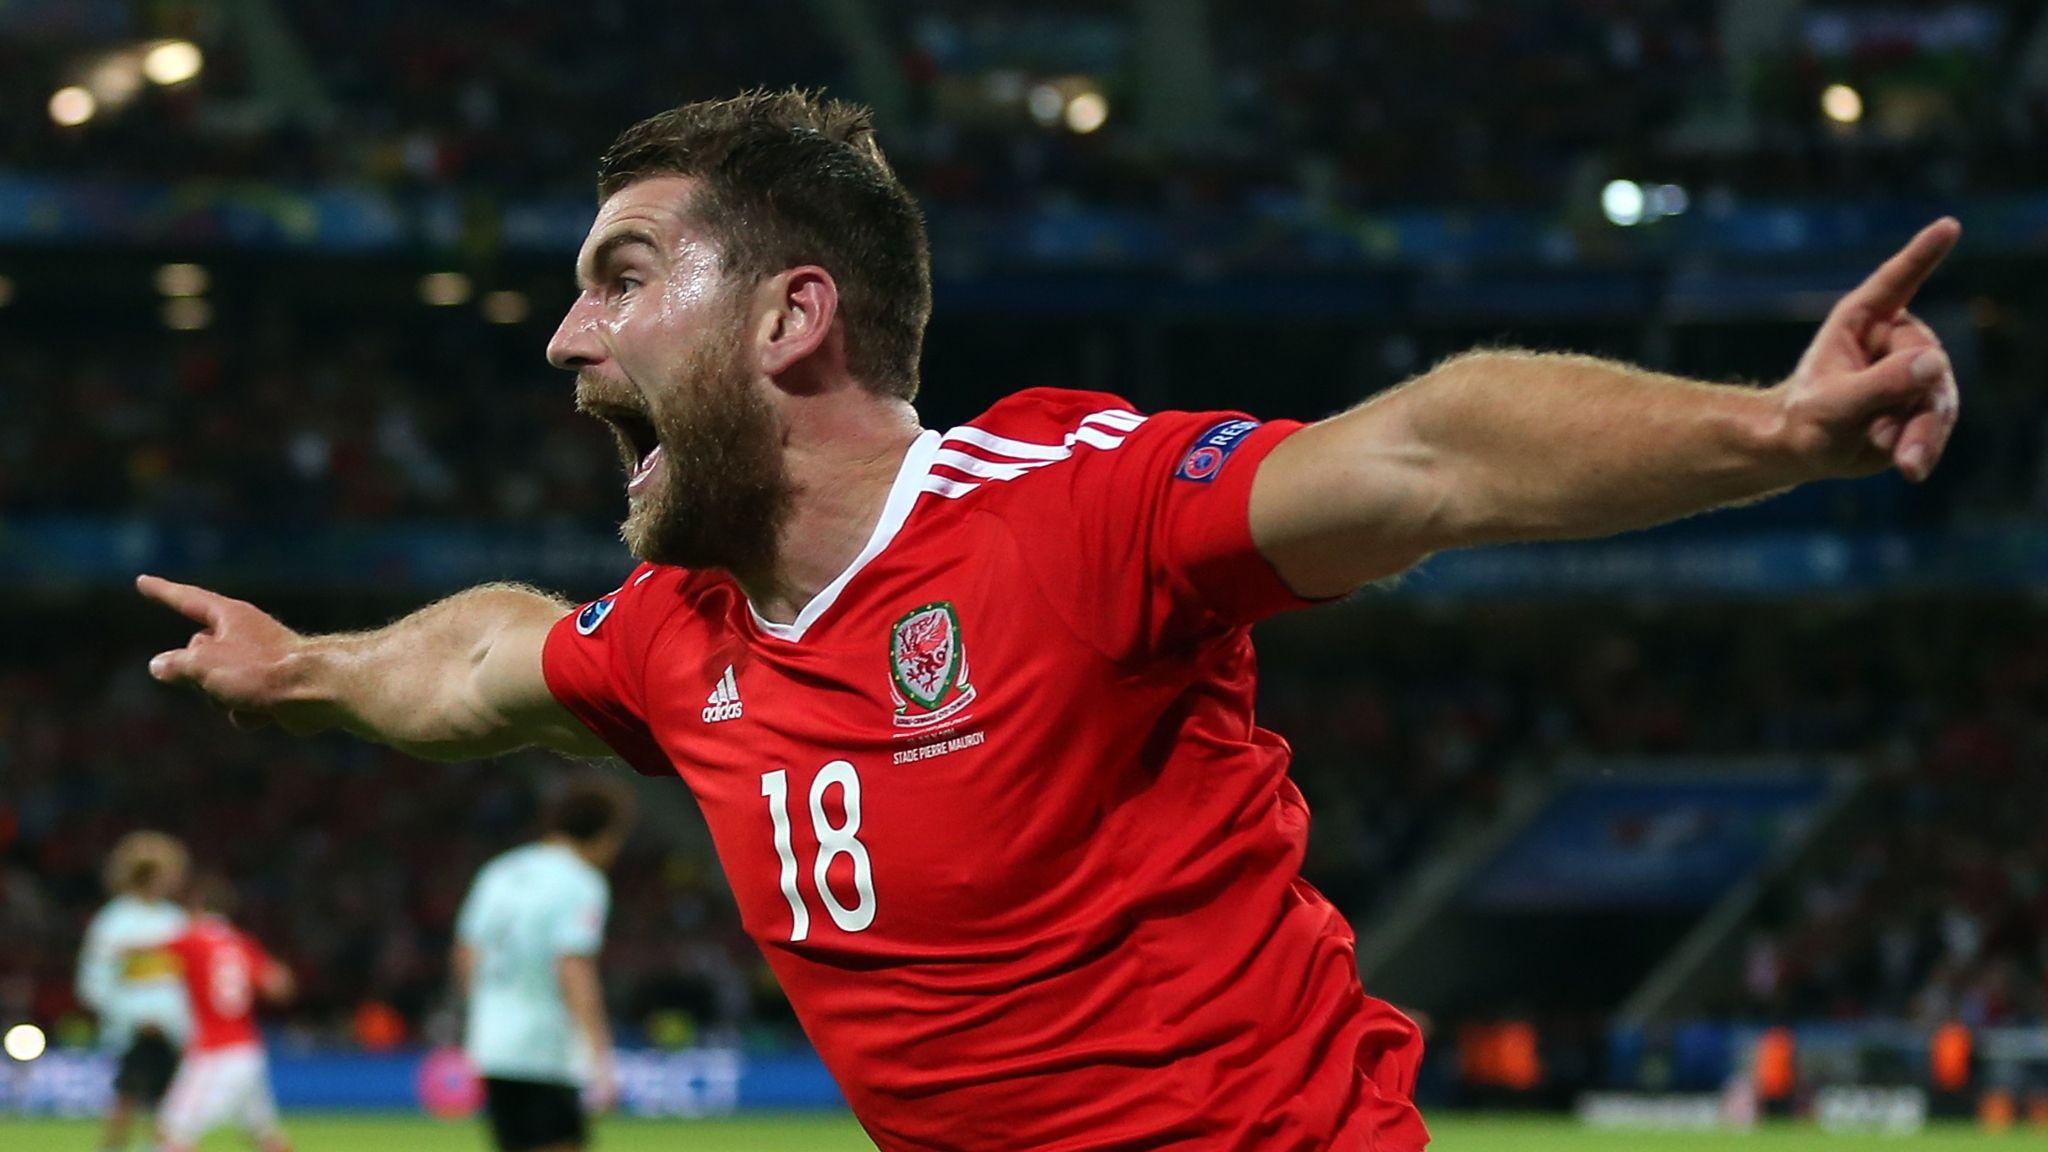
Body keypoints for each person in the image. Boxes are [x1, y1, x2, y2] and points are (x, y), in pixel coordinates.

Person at [134, 89, 1962, 1151]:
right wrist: (302, 666)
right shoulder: (679, 633)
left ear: (790, 319)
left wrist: (1767, 430)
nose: (563, 338)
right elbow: (474, 658)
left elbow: (1421, 454)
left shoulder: (1056, 508)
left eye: (621, 278)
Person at [453, 776, 633, 1152]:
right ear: (603, 834)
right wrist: (600, 1057)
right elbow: (573, 967)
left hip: (492, 1045)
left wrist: (481, 1017)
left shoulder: (500, 871)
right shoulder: (582, 882)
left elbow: (467, 952)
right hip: (543, 1046)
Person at [140, 875, 296, 1152]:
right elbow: (279, 985)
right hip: (249, 1050)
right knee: (267, 1137)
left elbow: (145, 952)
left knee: (172, 1132)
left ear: (197, 907)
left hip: (215, 1053)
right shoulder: (241, 942)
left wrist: (111, 948)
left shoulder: (193, 939)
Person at [76, 831, 192, 1152]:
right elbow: (94, 978)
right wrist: (130, 1016)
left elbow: (188, 977)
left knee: (173, 1105)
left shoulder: (175, 919)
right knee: (126, 1097)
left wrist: (181, 1020)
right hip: (134, 1028)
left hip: (172, 1029)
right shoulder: (114, 920)